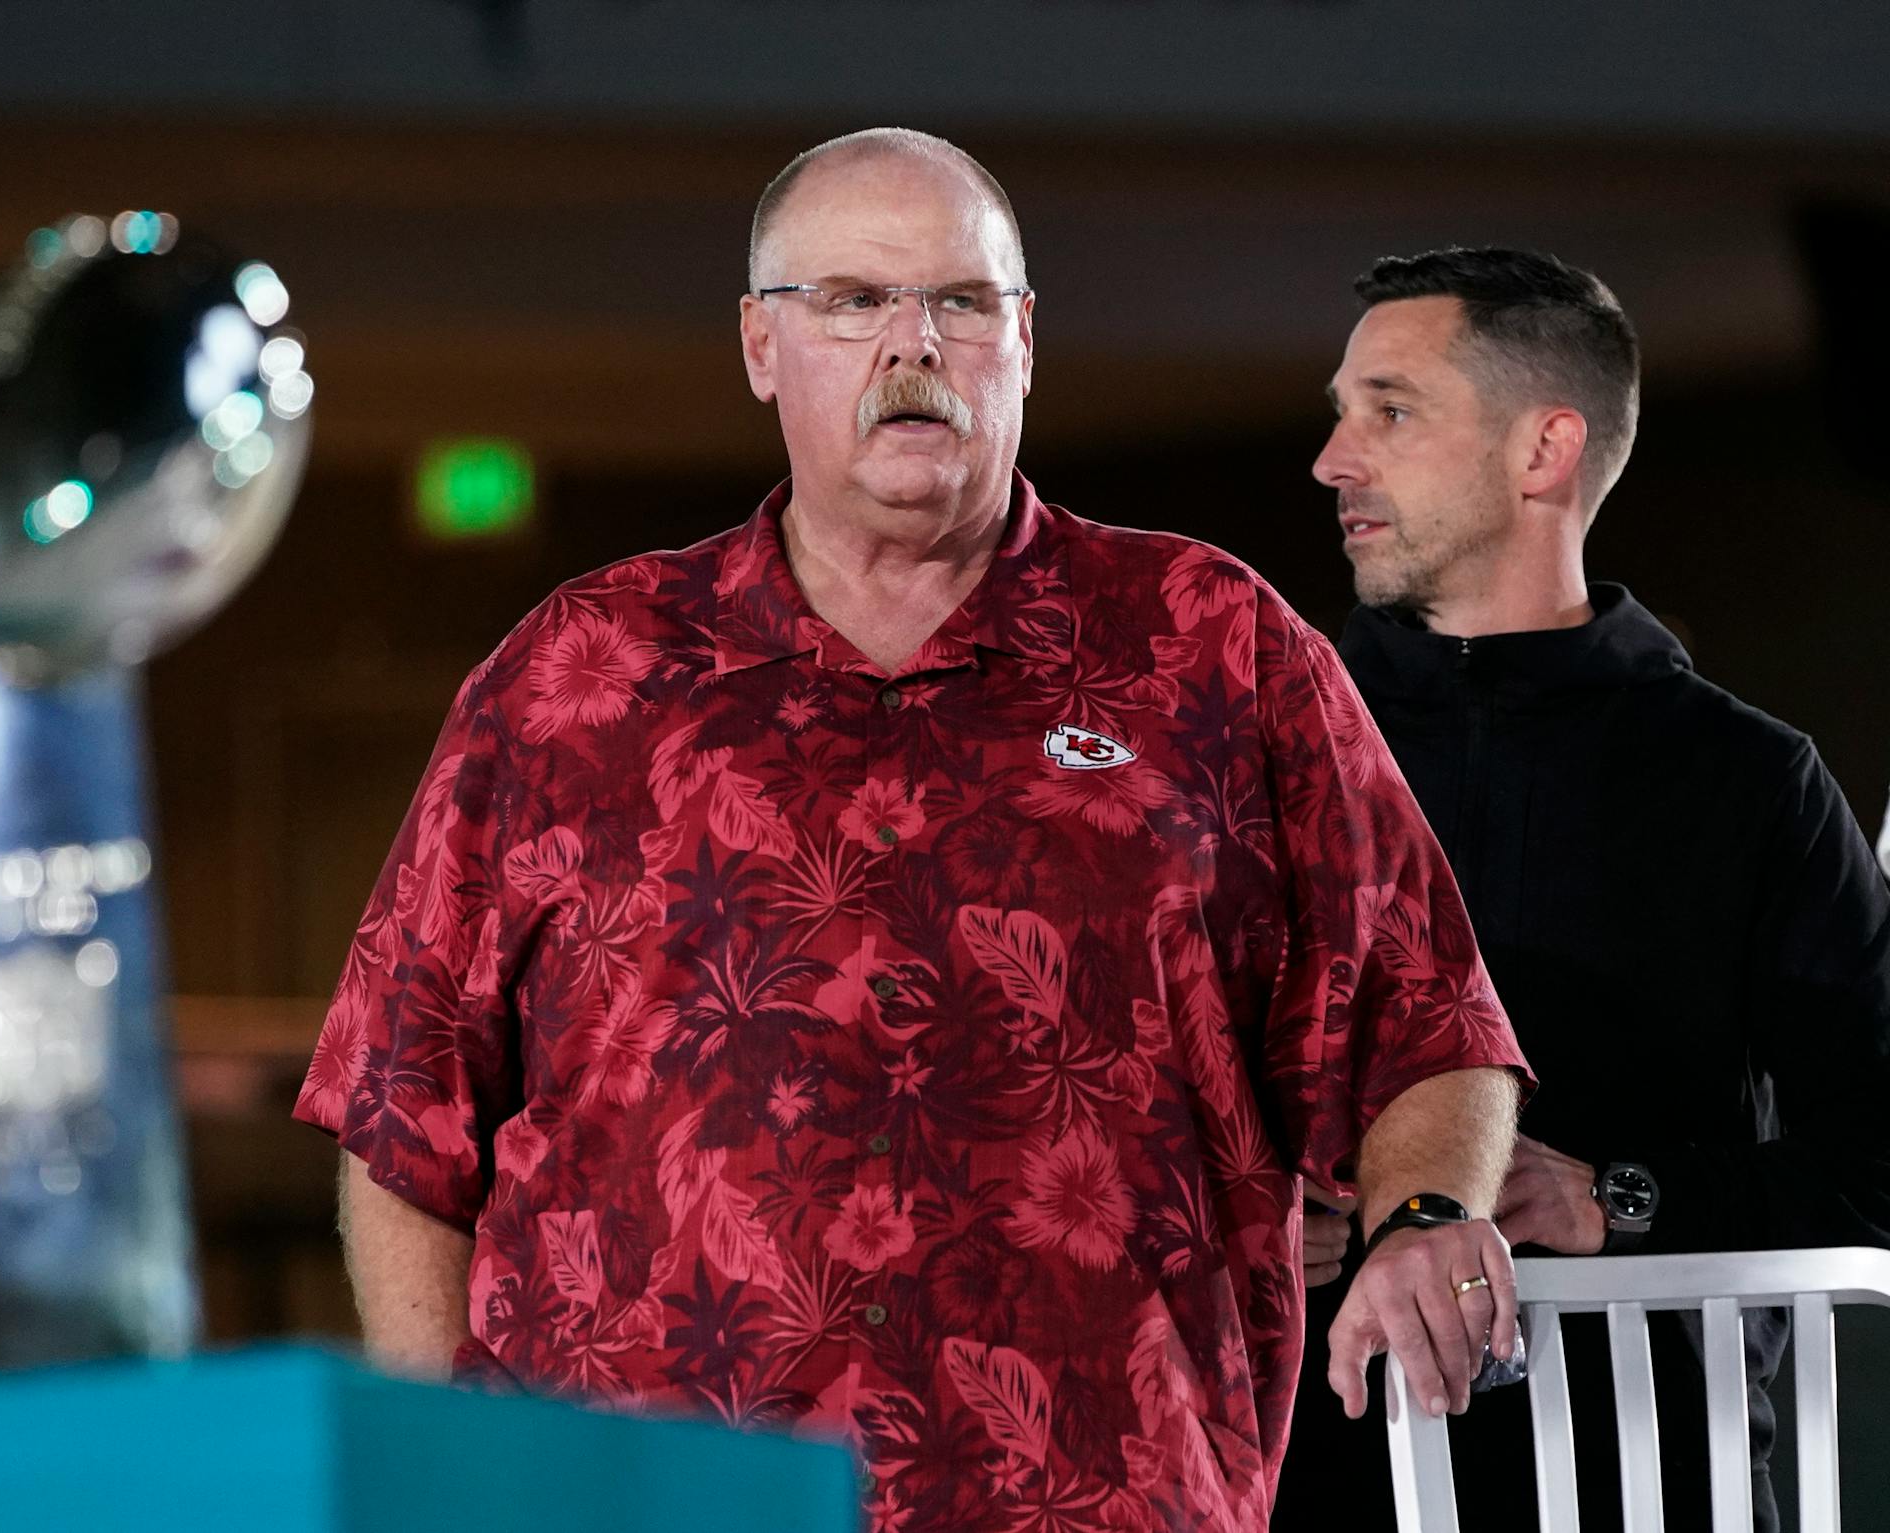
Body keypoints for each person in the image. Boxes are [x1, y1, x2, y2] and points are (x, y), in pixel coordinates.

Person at [295, 130, 1530, 1532]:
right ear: (763, 345)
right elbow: (402, 1109)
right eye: (852, 301)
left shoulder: (1212, 643)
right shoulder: (578, 672)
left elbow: (1430, 1019)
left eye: (960, 301)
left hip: (1106, 1492)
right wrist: (452, 1465)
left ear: (1022, 342)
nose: (913, 344)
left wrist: (1430, 1214)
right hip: (644, 1498)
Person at [1276, 247, 1890, 1530]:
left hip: (1653, 1482)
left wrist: (1613, 1197)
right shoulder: (1245, 751)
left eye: (1388, 411)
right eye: (1341, 413)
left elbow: (1877, 1162)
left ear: (1544, 448)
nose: (1335, 459)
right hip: (1290, 1482)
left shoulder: (1751, 784)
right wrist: (1238, 1197)